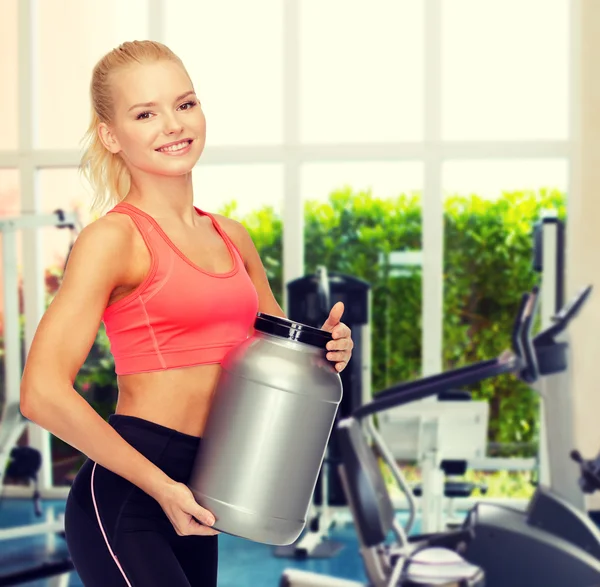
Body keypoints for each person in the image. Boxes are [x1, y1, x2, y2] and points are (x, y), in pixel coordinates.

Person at [19, 40, 354, 587]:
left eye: (185, 104)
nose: (172, 125)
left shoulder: (231, 235)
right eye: (145, 113)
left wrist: (328, 349)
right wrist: (161, 486)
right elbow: (42, 392)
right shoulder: (113, 239)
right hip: (132, 493)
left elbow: (282, 356)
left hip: (202, 489)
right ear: (111, 135)